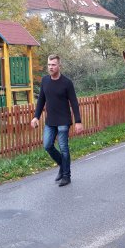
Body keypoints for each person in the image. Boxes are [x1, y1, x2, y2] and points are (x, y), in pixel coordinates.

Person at [31, 54, 83, 187]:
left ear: (59, 66)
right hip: (50, 121)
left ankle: (66, 175)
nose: (50, 67)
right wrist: (36, 117)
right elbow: (41, 100)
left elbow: (74, 102)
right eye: (49, 65)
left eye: (53, 65)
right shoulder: (45, 81)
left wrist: (78, 121)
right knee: (47, 145)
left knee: (64, 148)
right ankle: (62, 164)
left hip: (64, 120)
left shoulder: (67, 83)